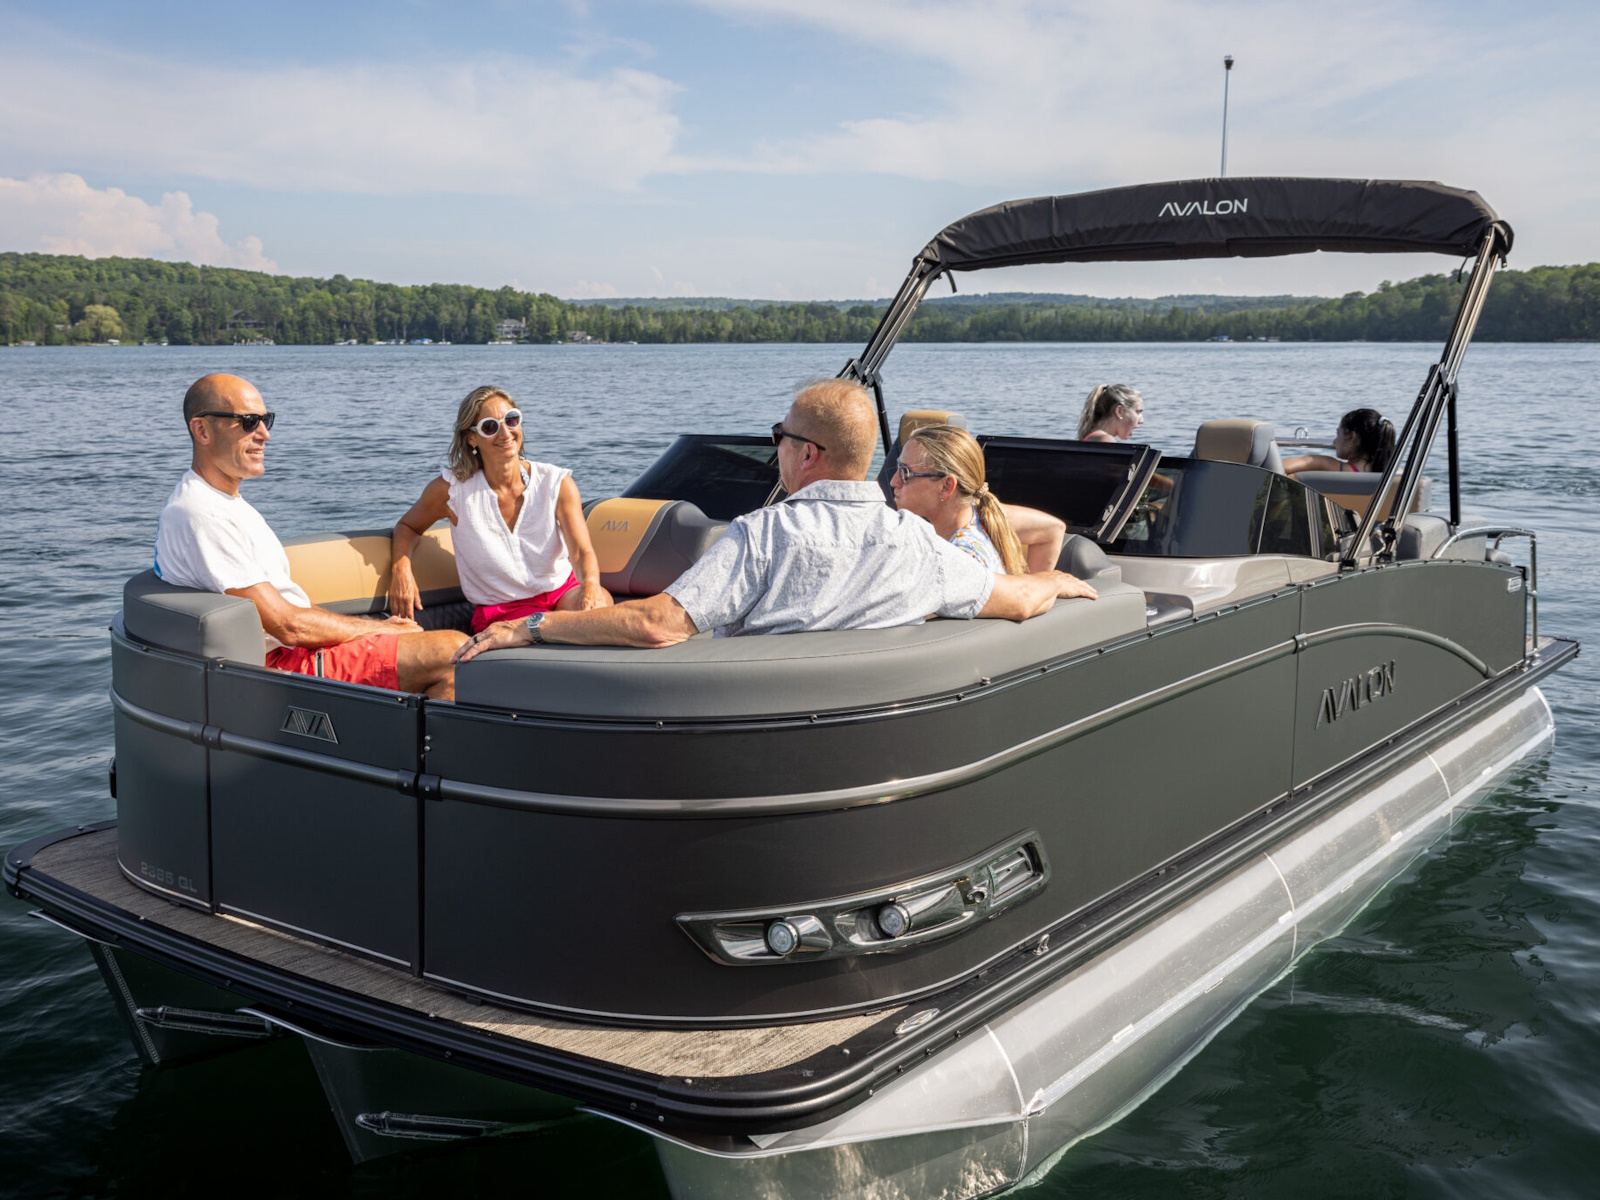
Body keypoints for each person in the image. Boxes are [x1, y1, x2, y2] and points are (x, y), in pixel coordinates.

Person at [455, 379, 1097, 662]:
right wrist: (1059, 581)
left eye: (780, 437)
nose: (778, 448)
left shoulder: (763, 535)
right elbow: (1018, 600)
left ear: (807, 454)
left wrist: (534, 627)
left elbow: (657, 626)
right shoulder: (919, 545)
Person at [154, 374, 466, 698]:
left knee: (443, 644)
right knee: (451, 652)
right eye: (248, 422)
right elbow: (287, 625)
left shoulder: (225, 504)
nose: (264, 434)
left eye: (265, 420)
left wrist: (378, 629)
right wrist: (378, 629)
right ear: (202, 430)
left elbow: (293, 607)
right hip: (275, 667)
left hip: (291, 651)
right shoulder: (200, 514)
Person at [389, 386, 612, 634]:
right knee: (552, 631)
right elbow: (408, 526)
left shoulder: (556, 483)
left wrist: (591, 586)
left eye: (511, 419)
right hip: (503, 613)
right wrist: (401, 569)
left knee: (601, 604)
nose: (505, 433)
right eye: (490, 427)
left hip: (562, 595)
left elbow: (580, 552)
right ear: (471, 438)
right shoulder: (452, 492)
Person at [890, 423, 1067, 575]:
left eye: (905, 473)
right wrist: (1033, 586)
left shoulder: (962, 561)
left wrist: (1034, 589)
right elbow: (1052, 529)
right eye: (897, 467)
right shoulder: (981, 517)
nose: (893, 481)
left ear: (946, 487)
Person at [1283, 408, 1397, 475]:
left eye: (1338, 434)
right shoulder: (1396, 474)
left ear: (1352, 437)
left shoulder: (1324, 464)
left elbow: (1278, 467)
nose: (1334, 442)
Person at [1078, 383, 1145, 442]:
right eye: (1138, 412)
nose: (1141, 421)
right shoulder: (1105, 440)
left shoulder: (1091, 437)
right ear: (1119, 411)